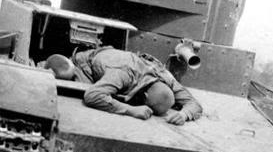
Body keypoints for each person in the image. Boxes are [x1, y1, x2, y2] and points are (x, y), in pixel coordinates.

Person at [45, 49, 202, 125]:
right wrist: (131, 110)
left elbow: (194, 104)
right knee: (64, 74)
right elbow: (92, 95)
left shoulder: (166, 77)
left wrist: (184, 114)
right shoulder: (124, 74)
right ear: (145, 97)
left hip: (116, 63)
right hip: (87, 67)